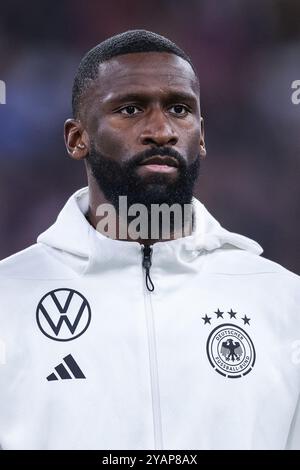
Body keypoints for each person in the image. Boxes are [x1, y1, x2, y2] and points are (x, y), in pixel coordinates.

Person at [0, 29, 299, 451]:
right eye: (130, 109)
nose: (160, 130)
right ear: (76, 138)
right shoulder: (8, 299)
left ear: (201, 134)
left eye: (179, 109)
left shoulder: (284, 302)